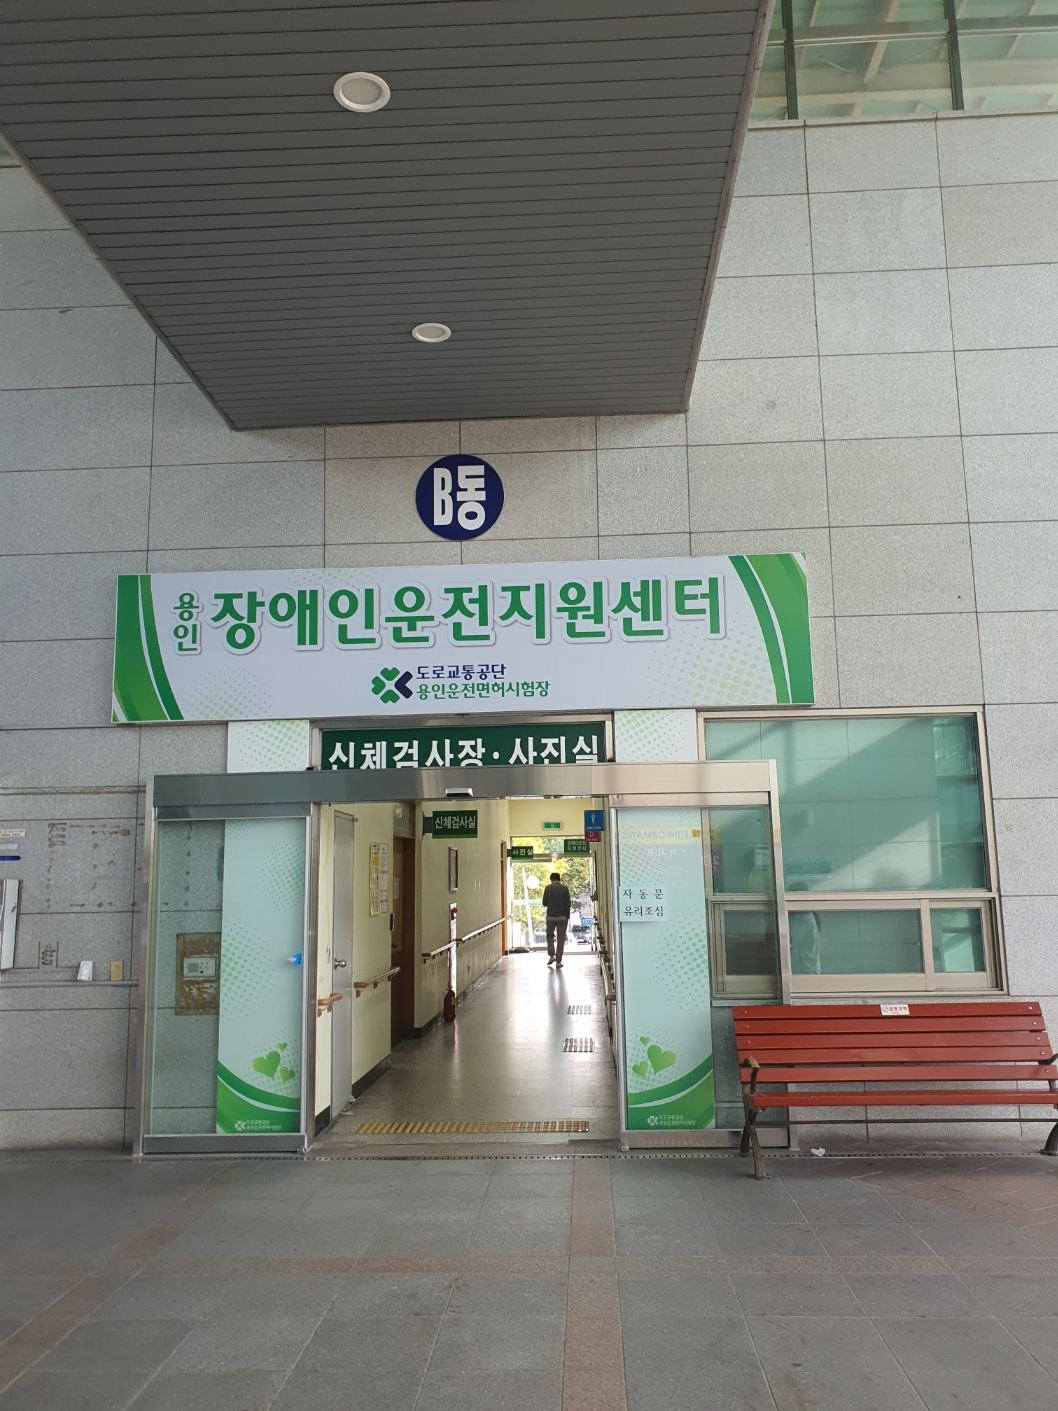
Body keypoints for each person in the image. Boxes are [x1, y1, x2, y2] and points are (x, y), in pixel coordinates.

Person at [541, 871, 571, 968]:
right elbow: (568, 904)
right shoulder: (565, 889)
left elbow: (544, 903)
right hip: (562, 917)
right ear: (559, 879)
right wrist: (567, 917)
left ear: (552, 879)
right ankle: (558, 961)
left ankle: (551, 956)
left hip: (550, 917)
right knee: (561, 939)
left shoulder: (548, 888)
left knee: (550, 936)